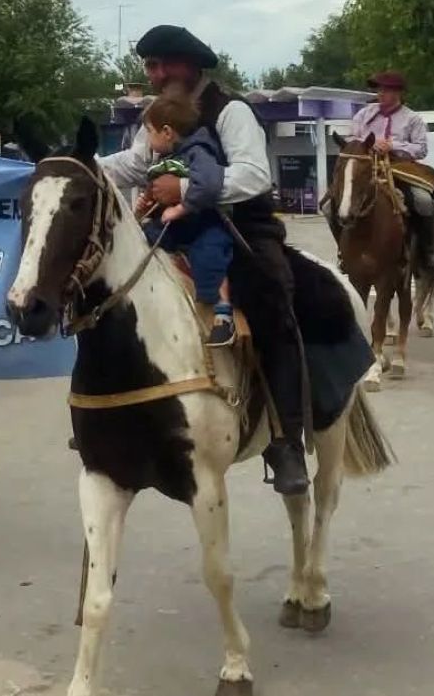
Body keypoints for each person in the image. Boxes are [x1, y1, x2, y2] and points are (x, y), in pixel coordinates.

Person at [97, 24, 308, 496]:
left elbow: (254, 174)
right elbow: (133, 165)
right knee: (114, 300)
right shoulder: (154, 115)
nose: (154, 75)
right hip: (172, 229)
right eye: (149, 66)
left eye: (162, 64)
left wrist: (186, 189)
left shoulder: (231, 110)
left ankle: (286, 439)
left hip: (238, 229)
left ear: (190, 65)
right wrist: (78, 167)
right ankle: (118, 417)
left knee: (275, 300)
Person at [134, 93, 235, 346]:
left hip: (204, 223)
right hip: (178, 226)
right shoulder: (168, 159)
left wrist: (181, 209)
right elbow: (157, 188)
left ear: (167, 132)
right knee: (142, 240)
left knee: (210, 255)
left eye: (149, 131)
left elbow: (209, 184)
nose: (147, 139)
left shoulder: (199, 151)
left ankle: (222, 313)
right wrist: (146, 205)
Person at [337, 71, 434, 271]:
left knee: (422, 201)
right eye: (378, 89)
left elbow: (421, 149)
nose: (380, 93)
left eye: (385, 89)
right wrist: (369, 143)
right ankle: (344, 252)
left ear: (398, 93)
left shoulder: (412, 119)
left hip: (400, 166)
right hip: (366, 165)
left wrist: (392, 145)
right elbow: (353, 138)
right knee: (331, 203)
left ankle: (428, 249)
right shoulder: (364, 114)